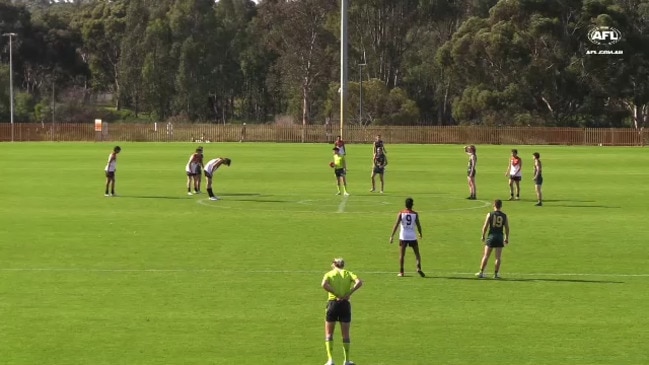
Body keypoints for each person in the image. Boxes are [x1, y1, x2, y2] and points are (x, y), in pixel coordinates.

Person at [321, 258, 363, 365]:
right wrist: (350, 293)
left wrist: (335, 293)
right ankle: (347, 360)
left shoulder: (329, 274)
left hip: (333, 304)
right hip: (345, 305)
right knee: (346, 335)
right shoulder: (348, 273)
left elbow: (324, 285)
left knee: (329, 334)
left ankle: (330, 360)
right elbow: (359, 282)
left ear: (334, 265)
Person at [389, 197, 425, 277]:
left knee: (402, 255)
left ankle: (401, 272)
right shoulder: (415, 214)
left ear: (405, 204)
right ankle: (418, 267)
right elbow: (418, 224)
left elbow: (396, 224)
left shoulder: (401, 213)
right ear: (412, 205)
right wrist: (420, 233)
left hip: (403, 236)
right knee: (417, 253)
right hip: (412, 236)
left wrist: (392, 236)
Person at [476, 199, 510, 279]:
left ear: (494, 205)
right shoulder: (504, 216)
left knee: (486, 255)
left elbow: (485, 226)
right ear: (501, 206)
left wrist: (483, 235)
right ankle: (496, 274)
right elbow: (507, 228)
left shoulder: (490, 214)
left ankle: (481, 272)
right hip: (499, 237)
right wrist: (506, 237)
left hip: (491, 236)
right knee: (498, 257)